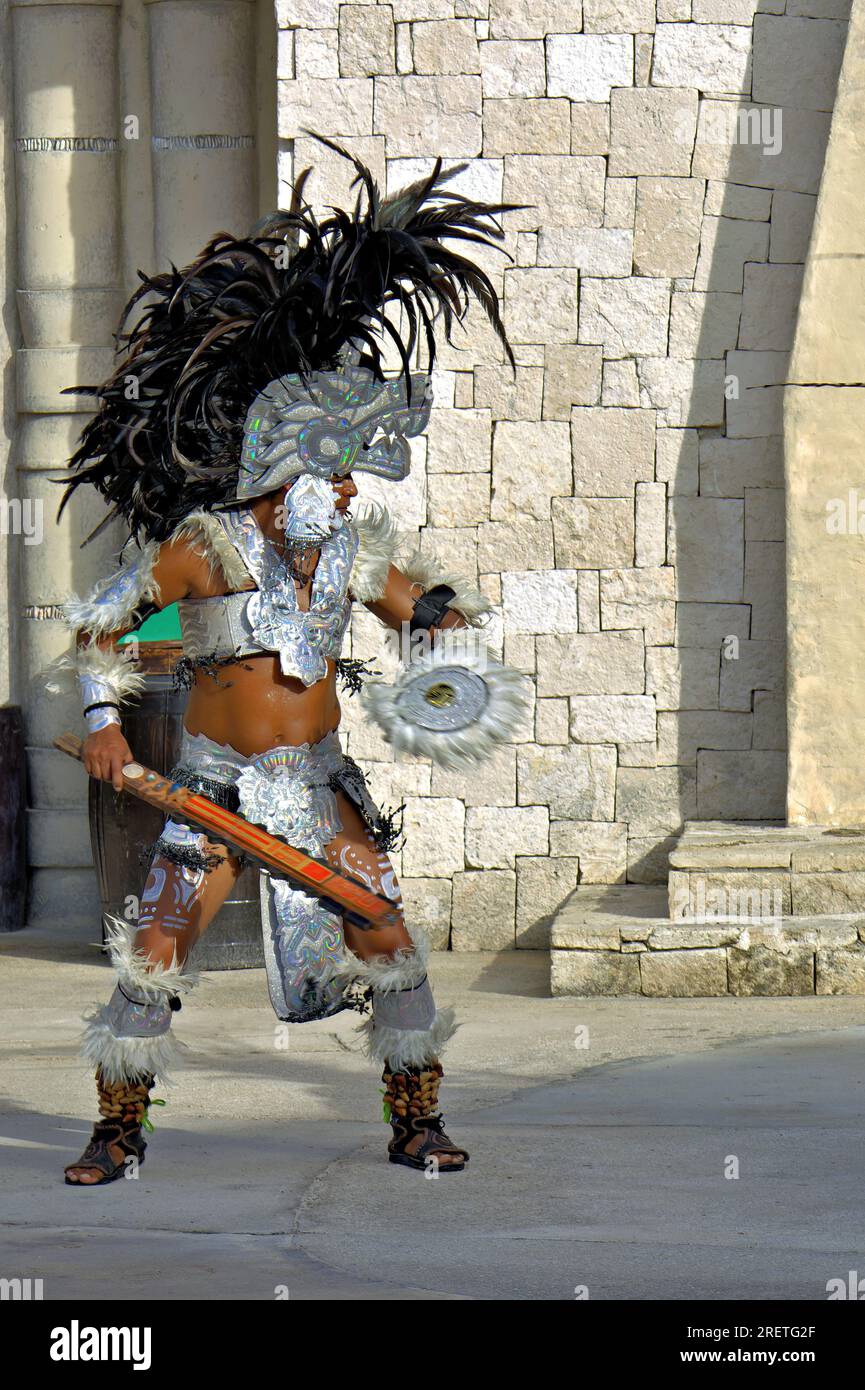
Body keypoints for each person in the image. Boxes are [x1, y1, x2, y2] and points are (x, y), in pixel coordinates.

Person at [54, 140, 523, 1185]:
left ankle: (416, 1122)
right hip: (216, 788)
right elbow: (106, 631)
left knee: (387, 938)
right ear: (288, 466)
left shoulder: (351, 552)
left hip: (318, 788)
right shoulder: (203, 549)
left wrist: (448, 639)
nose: (350, 491)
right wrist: (102, 721)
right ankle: (117, 1130)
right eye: (339, 471)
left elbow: (424, 616)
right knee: (155, 953)